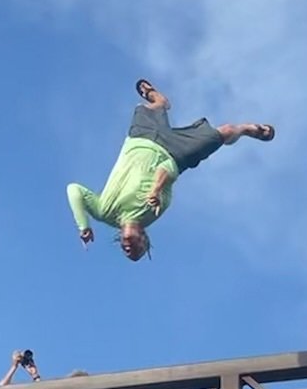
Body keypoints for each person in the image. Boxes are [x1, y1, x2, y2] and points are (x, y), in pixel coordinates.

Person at [68, 81, 274, 261]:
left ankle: (160, 100)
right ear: (144, 239)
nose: (130, 249)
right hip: (176, 153)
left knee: (148, 107)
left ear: (121, 242)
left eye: (127, 251)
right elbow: (167, 167)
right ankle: (246, 129)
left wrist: (83, 226)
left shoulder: (104, 212)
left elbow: (74, 190)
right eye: (137, 251)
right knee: (226, 131)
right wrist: (156, 190)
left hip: (139, 140)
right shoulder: (152, 212)